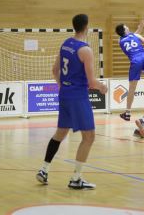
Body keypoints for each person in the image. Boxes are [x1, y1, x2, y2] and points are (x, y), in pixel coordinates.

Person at [36, 14, 108, 190]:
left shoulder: (66, 44)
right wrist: (102, 87)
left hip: (65, 94)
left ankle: (44, 169)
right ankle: (76, 178)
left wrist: (63, 86)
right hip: (78, 96)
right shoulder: (85, 50)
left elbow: (55, 70)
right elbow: (91, 82)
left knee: (60, 133)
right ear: (86, 27)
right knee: (89, 137)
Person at [115, 17, 144, 121]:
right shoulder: (135, 35)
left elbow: (133, 37)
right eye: (126, 27)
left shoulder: (120, 40)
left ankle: (127, 113)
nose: (128, 27)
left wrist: (141, 26)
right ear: (125, 30)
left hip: (135, 61)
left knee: (132, 89)